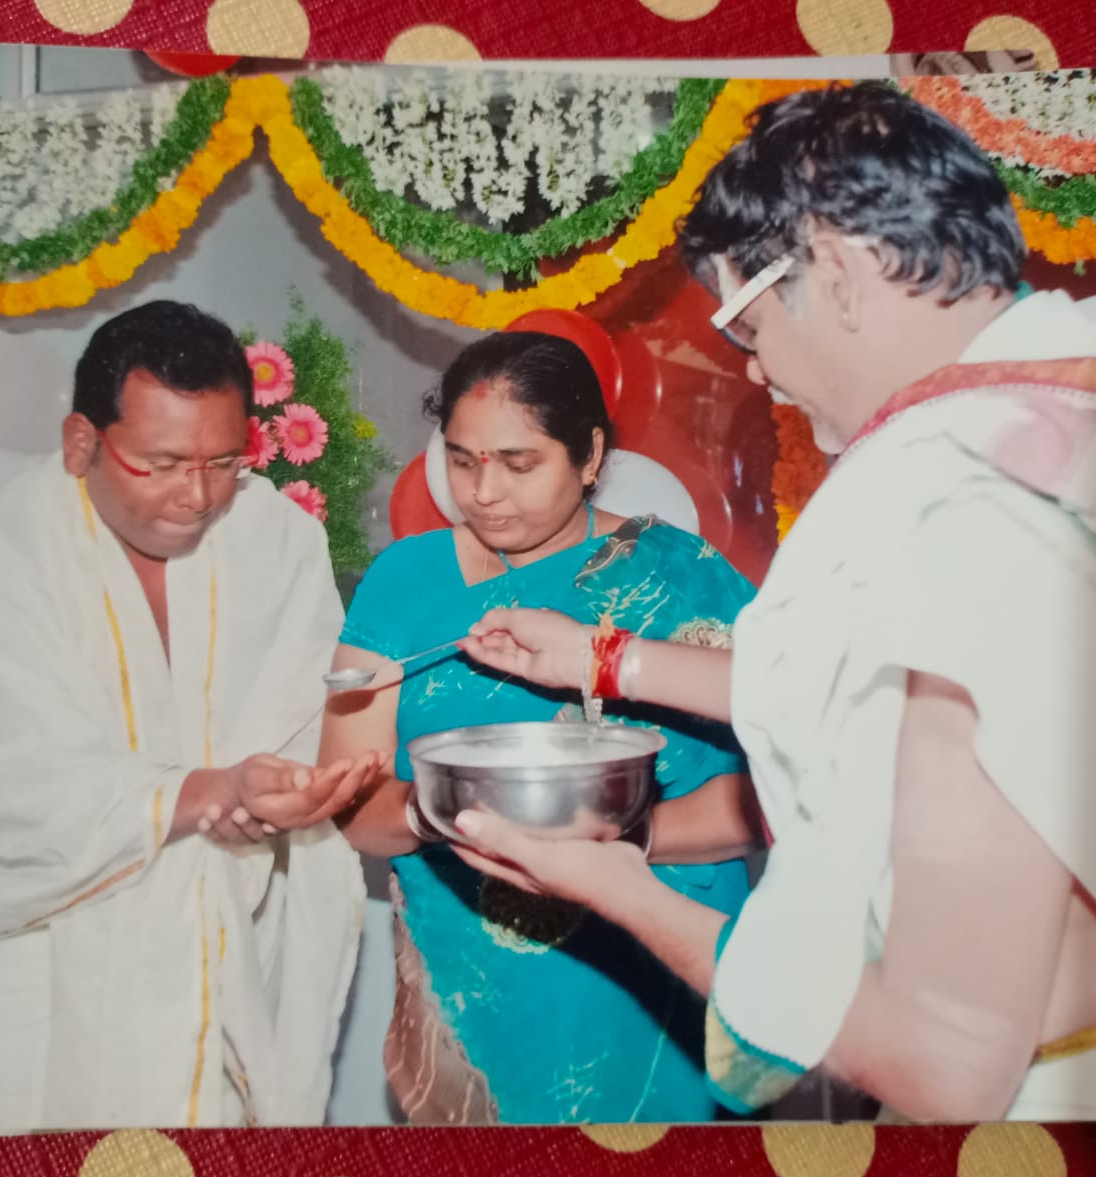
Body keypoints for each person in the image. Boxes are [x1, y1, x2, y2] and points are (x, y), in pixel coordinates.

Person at [446, 82, 1096, 1123]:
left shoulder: (958, 519)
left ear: (836, 275)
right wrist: (601, 659)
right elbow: (866, 685)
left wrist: (614, 886)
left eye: (747, 326)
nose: (760, 370)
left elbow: (942, 1059)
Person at [0, 300, 382, 1130]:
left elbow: (303, 717)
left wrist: (293, 791)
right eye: (159, 464)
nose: (196, 495)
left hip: (226, 957)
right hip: (45, 970)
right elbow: (4, 775)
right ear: (80, 442)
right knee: (36, 1176)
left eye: (222, 461)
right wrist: (208, 792)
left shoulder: (275, 538)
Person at [319, 331, 764, 1124]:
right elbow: (353, 802)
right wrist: (446, 810)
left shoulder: (676, 577)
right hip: (473, 982)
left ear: (589, 455)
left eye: (519, 464)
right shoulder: (404, 581)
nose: (484, 492)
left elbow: (767, 799)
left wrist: (607, 847)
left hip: (655, 964)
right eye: (462, 460)